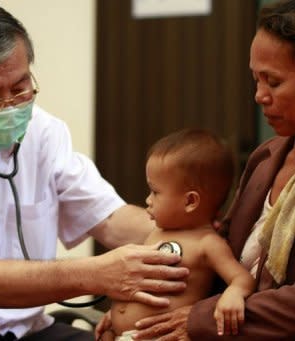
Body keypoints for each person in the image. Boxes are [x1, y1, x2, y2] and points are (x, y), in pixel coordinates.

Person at [0, 4, 190, 340]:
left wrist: (190, 233)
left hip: (28, 330)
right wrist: (98, 274)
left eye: (19, 87)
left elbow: (111, 221)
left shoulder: (43, 130)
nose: (10, 107)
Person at [124, 0, 295, 340]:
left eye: (274, 82)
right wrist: (137, 313)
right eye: (256, 79)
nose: (259, 96)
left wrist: (201, 319)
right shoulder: (268, 155)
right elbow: (225, 254)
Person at [96, 129, 255, 340]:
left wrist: (234, 294)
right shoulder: (157, 233)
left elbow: (242, 278)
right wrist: (115, 313)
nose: (148, 200)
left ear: (190, 202)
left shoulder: (207, 243)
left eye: (155, 192)